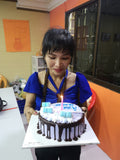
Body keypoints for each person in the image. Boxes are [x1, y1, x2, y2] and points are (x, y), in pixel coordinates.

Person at [24, 28, 92, 160]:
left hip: (71, 141)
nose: (58, 64)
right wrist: (30, 113)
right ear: (44, 55)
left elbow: (83, 108)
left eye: (65, 58)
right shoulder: (36, 79)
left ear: (71, 58)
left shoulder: (79, 80)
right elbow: (27, 107)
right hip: (44, 140)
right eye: (52, 57)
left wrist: (83, 111)